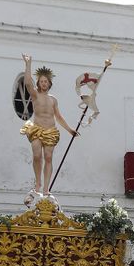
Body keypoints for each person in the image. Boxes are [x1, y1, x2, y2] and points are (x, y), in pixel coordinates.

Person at [19, 55, 78, 196]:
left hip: (50, 131)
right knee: (37, 155)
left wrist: (70, 130)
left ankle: (46, 188)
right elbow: (27, 83)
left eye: (46, 81)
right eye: (41, 81)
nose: (43, 83)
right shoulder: (35, 95)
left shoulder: (53, 100)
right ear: (38, 83)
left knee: (48, 157)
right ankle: (37, 182)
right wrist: (28, 65)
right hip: (37, 129)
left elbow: (58, 117)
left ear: (49, 83)